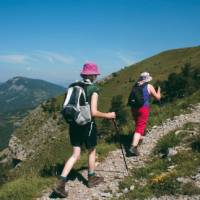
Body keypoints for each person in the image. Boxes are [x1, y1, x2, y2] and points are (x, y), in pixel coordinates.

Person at [54, 62, 116, 198]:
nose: (97, 76)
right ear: (93, 75)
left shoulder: (74, 86)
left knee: (75, 154)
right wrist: (108, 115)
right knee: (91, 150)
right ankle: (91, 179)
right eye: (96, 74)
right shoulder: (93, 89)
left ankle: (61, 183)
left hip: (74, 124)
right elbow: (93, 112)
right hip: (87, 125)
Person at [128, 72, 161, 156]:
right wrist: (159, 90)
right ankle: (133, 147)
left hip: (133, 108)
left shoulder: (136, 85)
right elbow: (157, 98)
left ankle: (139, 137)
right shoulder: (149, 86)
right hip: (143, 108)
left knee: (138, 123)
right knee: (140, 126)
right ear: (147, 79)